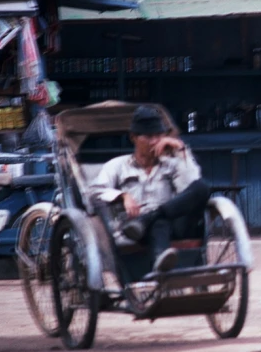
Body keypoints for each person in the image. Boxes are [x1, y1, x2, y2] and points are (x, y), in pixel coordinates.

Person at [90, 105, 211, 273]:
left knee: (202, 187)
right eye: (148, 136)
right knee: (159, 222)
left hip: (174, 225)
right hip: (136, 230)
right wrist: (122, 196)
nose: (154, 141)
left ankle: (152, 217)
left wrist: (180, 150)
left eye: (159, 136)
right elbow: (94, 192)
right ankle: (157, 248)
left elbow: (190, 187)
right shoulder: (117, 166)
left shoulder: (172, 164)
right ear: (133, 137)